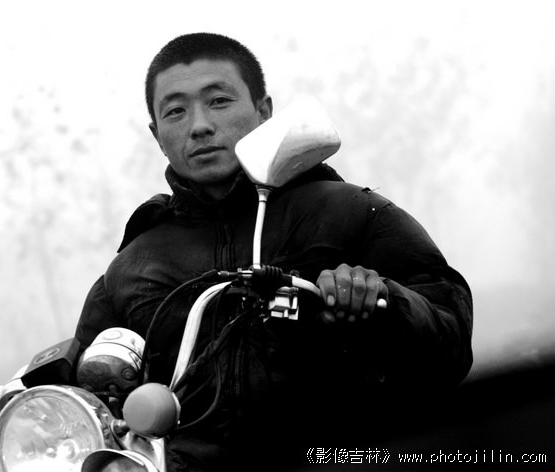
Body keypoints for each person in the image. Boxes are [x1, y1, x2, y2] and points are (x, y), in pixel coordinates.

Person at [74, 32, 473, 472]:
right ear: (156, 133)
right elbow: (77, 407)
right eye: (175, 111)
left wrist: (386, 303)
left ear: (264, 111)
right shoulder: (131, 267)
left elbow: (452, 344)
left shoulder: (353, 213)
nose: (199, 125)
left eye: (219, 101)